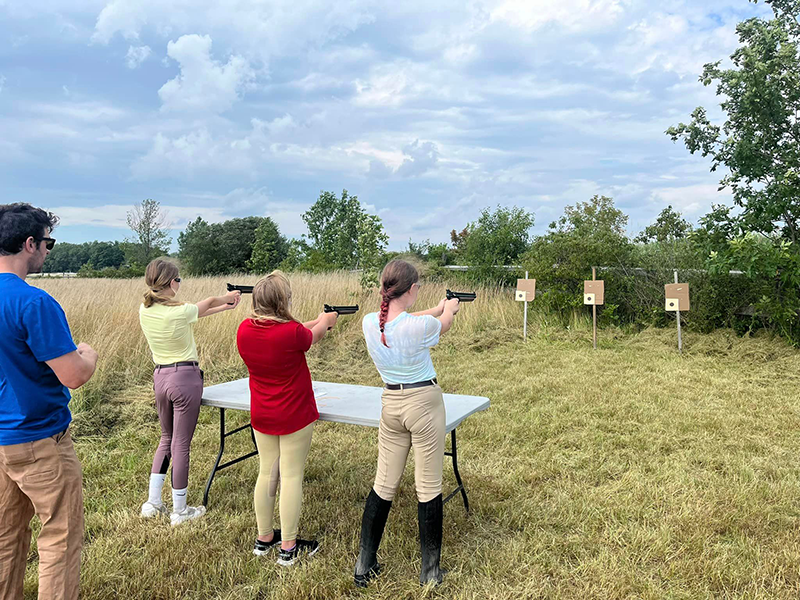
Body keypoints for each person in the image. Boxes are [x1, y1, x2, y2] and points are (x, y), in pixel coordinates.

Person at [0, 203, 99, 600]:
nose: (47, 251)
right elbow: (73, 375)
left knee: (5, 535)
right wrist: (88, 353)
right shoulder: (34, 303)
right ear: (29, 244)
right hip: (40, 439)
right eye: (48, 243)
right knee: (59, 536)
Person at [354, 259, 461, 587]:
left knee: (383, 485)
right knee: (428, 486)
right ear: (412, 289)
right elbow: (443, 323)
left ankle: (364, 565)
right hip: (424, 404)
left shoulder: (371, 322)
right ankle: (430, 572)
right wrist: (450, 308)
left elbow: (405, 320)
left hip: (391, 405)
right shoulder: (420, 328)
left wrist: (436, 306)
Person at [236, 271, 338, 566]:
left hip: (263, 414)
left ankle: (264, 538)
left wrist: (318, 320)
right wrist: (326, 321)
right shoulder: (292, 332)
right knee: (291, 476)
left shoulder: (244, 329)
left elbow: (290, 332)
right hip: (294, 414)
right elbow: (312, 336)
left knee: (267, 473)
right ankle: (289, 546)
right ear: (283, 302)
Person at [138, 258, 241, 526]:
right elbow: (204, 304)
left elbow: (198, 311)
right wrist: (225, 297)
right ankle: (180, 510)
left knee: (166, 438)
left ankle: (153, 502)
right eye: (179, 280)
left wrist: (225, 306)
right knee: (181, 444)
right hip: (184, 378)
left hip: (160, 377)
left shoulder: (146, 309)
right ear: (172, 282)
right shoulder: (181, 310)